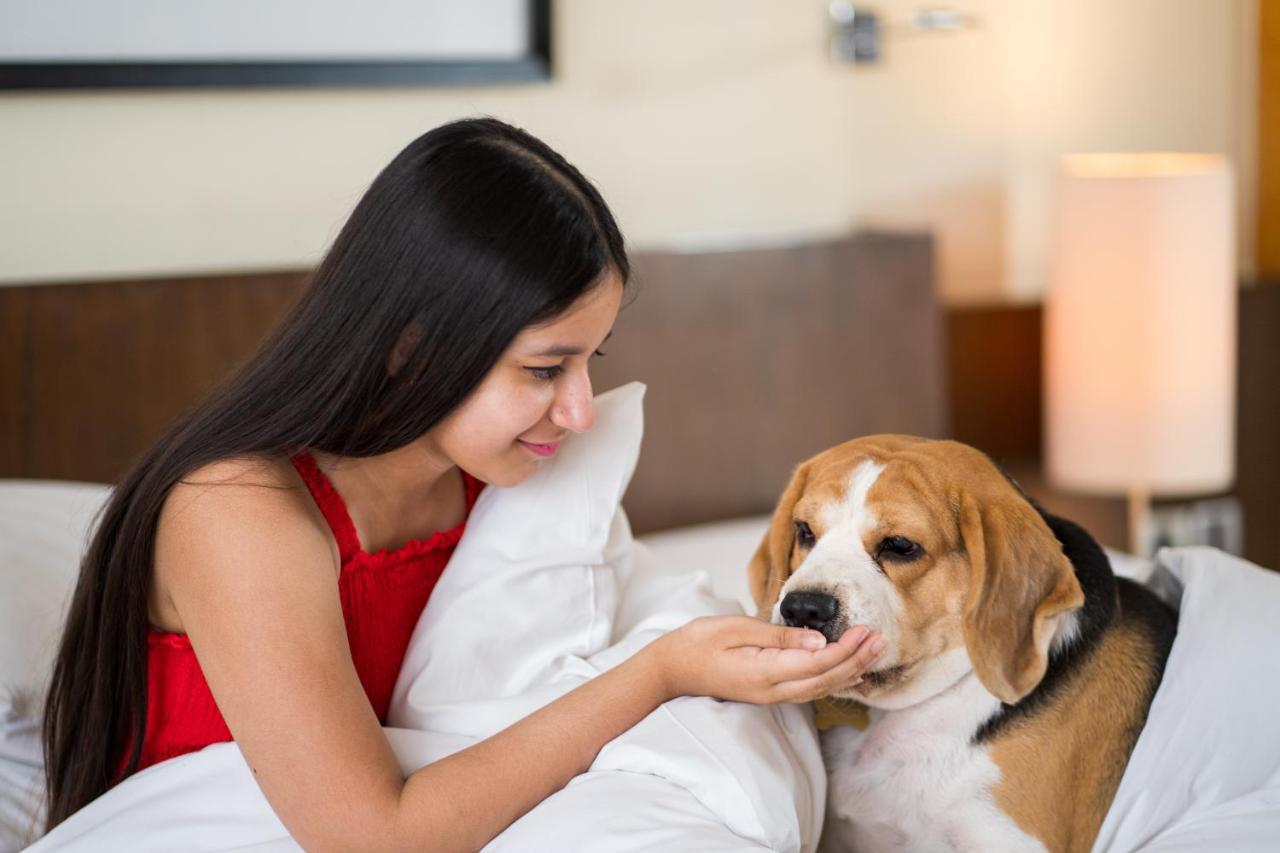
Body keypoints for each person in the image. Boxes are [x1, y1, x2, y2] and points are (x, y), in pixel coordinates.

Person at [41, 117, 885, 850]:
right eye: (546, 367)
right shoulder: (239, 514)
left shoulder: (505, 483)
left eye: (592, 361)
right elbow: (375, 836)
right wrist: (661, 672)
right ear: (414, 346)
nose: (581, 410)